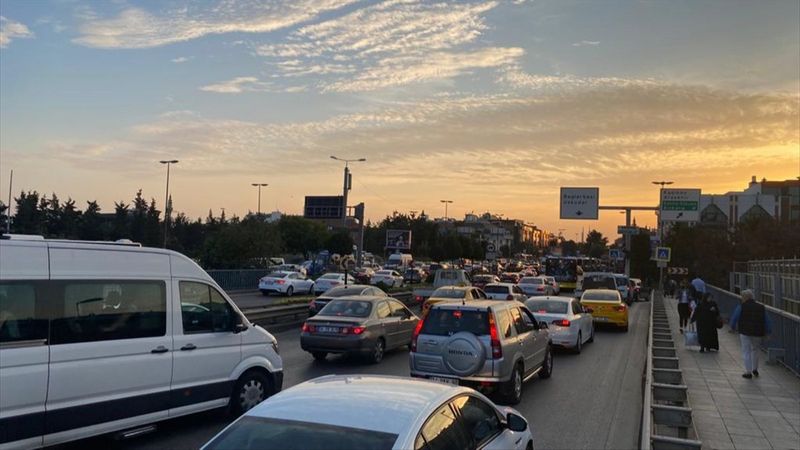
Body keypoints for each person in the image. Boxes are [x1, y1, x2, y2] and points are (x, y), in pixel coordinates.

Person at [729, 289, 772, 379]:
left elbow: (735, 317)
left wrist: (732, 326)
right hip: (757, 332)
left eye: (742, 297)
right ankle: (755, 369)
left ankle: (748, 372)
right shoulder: (761, 307)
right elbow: (767, 321)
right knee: (755, 350)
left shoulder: (741, 306)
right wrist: (768, 332)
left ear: (745, 297)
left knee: (746, 351)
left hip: (745, 332)